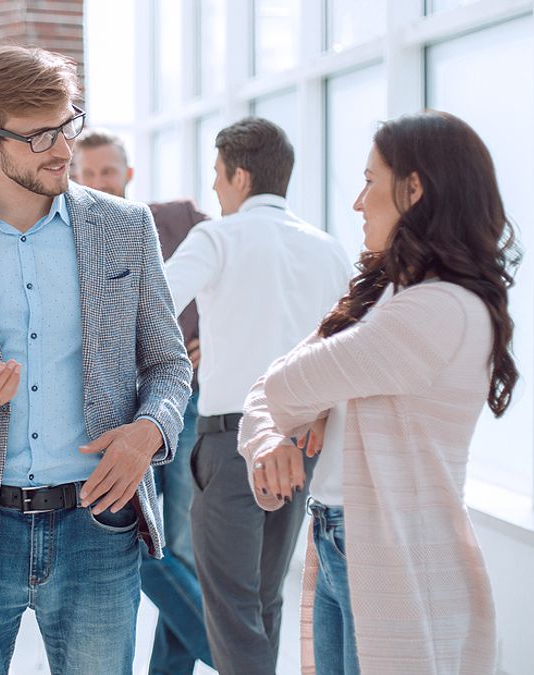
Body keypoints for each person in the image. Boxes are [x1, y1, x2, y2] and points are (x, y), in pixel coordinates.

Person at [0, 46, 191, 674]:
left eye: (69, 124)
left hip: (97, 530)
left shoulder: (125, 227)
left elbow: (168, 365)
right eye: (39, 136)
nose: (62, 149)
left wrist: (148, 432)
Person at [240, 110, 516, 675]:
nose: (357, 202)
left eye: (370, 180)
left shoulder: (440, 309)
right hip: (341, 536)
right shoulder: (380, 296)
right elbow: (269, 391)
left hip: (399, 556)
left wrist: (302, 404)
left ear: (414, 189)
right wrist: (270, 438)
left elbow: (286, 381)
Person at [164, 117, 351, 675]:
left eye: (218, 177)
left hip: (231, 442)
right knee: (265, 599)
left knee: (230, 604)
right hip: (304, 443)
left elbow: (151, 307)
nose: (216, 190)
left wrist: (179, 355)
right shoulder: (329, 248)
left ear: (240, 176)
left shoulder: (218, 236)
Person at [73, 127, 212, 675]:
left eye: (108, 172)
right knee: (142, 542)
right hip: (106, 418)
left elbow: (240, 260)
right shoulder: (63, 235)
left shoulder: (172, 222)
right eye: (87, 174)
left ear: (128, 175)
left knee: (175, 546)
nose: (97, 182)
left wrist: (215, 340)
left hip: (176, 405)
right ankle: (236, 655)